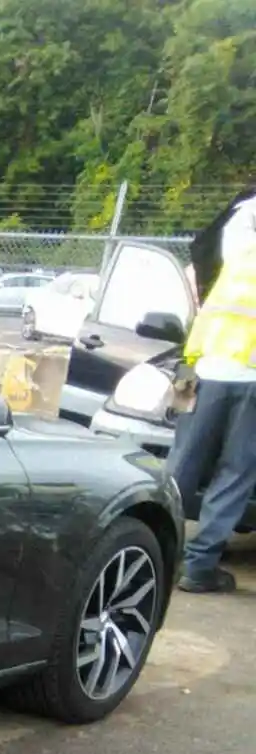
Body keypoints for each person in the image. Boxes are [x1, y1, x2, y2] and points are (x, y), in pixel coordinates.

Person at [172, 185, 256, 593]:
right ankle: (200, 568)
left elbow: (197, 275)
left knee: (180, 463)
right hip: (251, 378)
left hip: (201, 363)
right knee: (235, 472)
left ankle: (155, 550)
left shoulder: (238, 214)